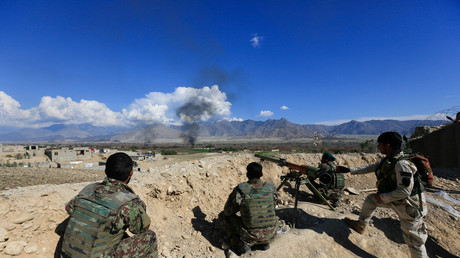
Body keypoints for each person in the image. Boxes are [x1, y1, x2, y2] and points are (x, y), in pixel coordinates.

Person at [339, 132, 428, 258]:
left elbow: (404, 191)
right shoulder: (389, 160)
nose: (378, 146)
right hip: (396, 200)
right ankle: (361, 225)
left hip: (409, 206)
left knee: (415, 242)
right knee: (371, 200)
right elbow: (370, 167)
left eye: (380, 144)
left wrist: (382, 197)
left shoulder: (401, 164)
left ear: (387, 146)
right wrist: (348, 170)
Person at [61, 152, 158, 257]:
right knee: (150, 237)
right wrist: (135, 200)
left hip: (67, 255)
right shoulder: (129, 202)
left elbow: (69, 208)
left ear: (105, 171)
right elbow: (141, 229)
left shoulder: (88, 189)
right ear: (131, 173)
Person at [218, 162, 279, 256]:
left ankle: (240, 244)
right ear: (261, 174)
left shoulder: (241, 189)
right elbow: (273, 205)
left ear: (247, 174)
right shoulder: (271, 188)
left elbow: (227, 211)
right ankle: (264, 243)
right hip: (270, 234)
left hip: (250, 236)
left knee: (223, 216)